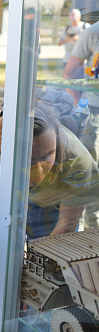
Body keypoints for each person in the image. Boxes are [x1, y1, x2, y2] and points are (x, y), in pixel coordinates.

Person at [0, 107, 98, 332]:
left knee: (43, 304)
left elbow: (66, 225)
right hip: (7, 207)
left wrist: (34, 272)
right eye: (27, 161)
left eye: (46, 156)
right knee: (3, 296)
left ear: (58, 145)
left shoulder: (78, 160)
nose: (37, 171)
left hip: (54, 215)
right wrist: (15, 262)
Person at [63, 21, 99, 230]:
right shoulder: (93, 33)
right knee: (91, 170)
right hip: (93, 111)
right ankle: (92, 231)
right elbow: (69, 72)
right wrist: (78, 105)